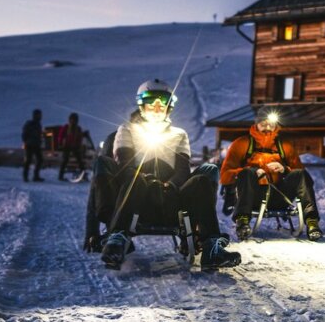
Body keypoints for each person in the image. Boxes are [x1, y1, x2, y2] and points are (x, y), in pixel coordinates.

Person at [86, 79, 241, 270]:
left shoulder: (179, 134)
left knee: (201, 179)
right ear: (142, 104)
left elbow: (183, 169)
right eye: (152, 101)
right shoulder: (126, 130)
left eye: (163, 102)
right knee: (136, 178)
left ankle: (210, 247)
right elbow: (124, 167)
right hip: (136, 195)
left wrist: (171, 185)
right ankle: (118, 236)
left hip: (170, 195)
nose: (157, 107)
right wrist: (147, 180)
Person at [220, 109, 323, 242]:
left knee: (301, 174)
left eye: (271, 124)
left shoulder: (284, 145)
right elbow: (225, 174)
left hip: (280, 195)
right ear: (256, 124)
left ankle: (312, 222)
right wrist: (251, 171)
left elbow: (302, 175)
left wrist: (285, 170)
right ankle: (242, 222)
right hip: (252, 196)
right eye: (263, 124)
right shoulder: (241, 144)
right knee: (247, 172)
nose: (267, 128)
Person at [56, 112, 93, 180]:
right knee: (65, 161)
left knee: (80, 161)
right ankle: (60, 176)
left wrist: (79, 146)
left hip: (74, 146)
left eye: (75, 119)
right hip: (66, 146)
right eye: (72, 119)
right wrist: (60, 144)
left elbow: (80, 138)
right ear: (70, 119)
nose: (73, 121)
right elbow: (60, 136)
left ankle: (83, 175)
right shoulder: (66, 127)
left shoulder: (78, 128)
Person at [21, 108, 45, 182]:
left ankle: (36, 176)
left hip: (36, 144)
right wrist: (26, 141)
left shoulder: (38, 124)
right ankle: (25, 176)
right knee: (28, 160)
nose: (40, 117)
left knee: (40, 160)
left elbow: (39, 134)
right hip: (30, 144)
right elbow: (24, 134)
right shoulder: (29, 124)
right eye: (39, 115)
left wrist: (40, 141)